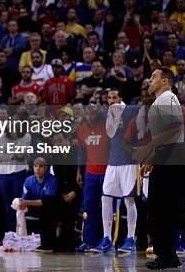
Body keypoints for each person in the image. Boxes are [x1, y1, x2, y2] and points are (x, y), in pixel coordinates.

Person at [132, 68, 185, 270]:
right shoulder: (159, 101)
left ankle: (166, 254)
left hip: (174, 155)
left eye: (154, 77)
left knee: (163, 208)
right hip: (169, 155)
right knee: (167, 209)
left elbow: (174, 128)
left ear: (166, 81)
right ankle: (168, 255)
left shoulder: (168, 97)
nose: (150, 80)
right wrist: (151, 159)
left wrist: (148, 148)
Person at [92, 89, 139, 253]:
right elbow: (89, 116)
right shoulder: (106, 113)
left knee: (129, 200)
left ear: (121, 98)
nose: (111, 100)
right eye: (109, 98)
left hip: (129, 163)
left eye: (114, 97)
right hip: (112, 163)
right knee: (106, 198)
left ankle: (131, 238)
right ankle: (106, 239)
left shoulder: (132, 110)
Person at [75, 106, 108, 252]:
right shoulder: (82, 128)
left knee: (108, 209)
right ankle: (88, 241)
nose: (90, 116)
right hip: (90, 173)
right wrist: (79, 171)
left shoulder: (106, 125)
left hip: (107, 172)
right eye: (87, 113)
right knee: (89, 208)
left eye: (93, 113)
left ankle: (108, 240)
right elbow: (81, 151)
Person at [12, 156, 58, 253]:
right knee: (18, 209)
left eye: (41, 166)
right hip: (34, 207)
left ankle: (48, 245)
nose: (37, 169)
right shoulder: (28, 180)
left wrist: (27, 202)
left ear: (46, 168)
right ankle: (21, 238)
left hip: (50, 208)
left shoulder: (52, 180)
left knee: (46, 211)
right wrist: (20, 203)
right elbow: (24, 198)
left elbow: (46, 201)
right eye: (35, 166)